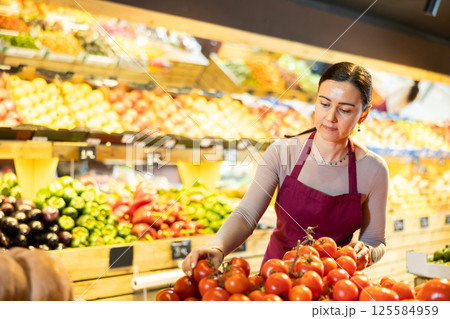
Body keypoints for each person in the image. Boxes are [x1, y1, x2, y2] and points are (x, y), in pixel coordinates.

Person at [182, 61, 389, 276]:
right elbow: (246, 214)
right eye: (324, 104)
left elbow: (375, 239)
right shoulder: (283, 153)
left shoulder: (373, 170)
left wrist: (368, 252)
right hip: (276, 281)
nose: (330, 117)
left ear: (363, 115)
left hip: (334, 286)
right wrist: (219, 248)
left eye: (344, 110)